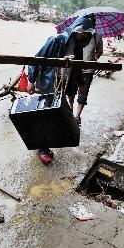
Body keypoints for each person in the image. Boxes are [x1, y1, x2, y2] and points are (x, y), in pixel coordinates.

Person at [27, 14, 96, 164]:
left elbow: (76, 67)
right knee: (47, 115)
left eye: (88, 34)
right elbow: (37, 59)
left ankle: (46, 143)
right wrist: (31, 80)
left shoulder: (77, 46)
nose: (85, 35)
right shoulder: (56, 40)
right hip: (49, 82)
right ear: (77, 30)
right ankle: (42, 148)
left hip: (62, 84)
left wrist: (80, 81)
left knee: (54, 115)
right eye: (84, 32)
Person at [66, 28, 103, 125]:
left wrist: (96, 56)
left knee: (83, 92)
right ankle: (70, 111)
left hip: (88, 69)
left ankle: (77, 116)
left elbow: (100, 51)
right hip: (75, 67)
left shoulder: (96, 36)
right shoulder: (76, 34)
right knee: (71, 91)